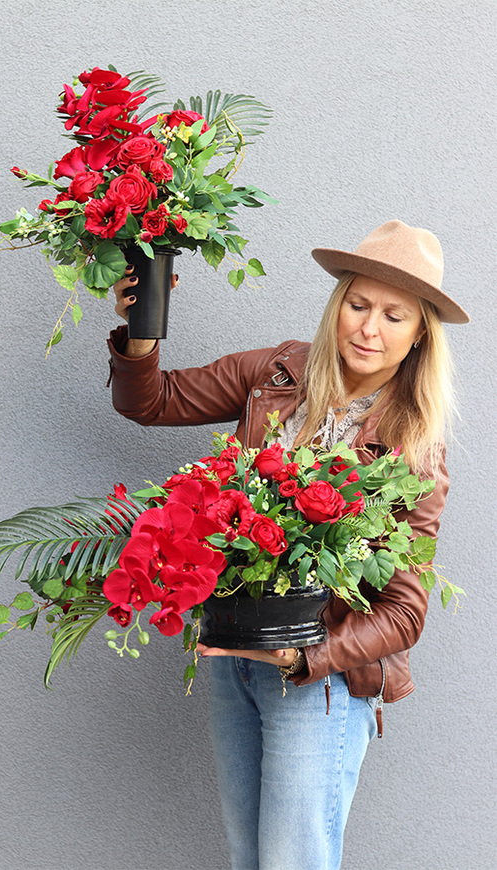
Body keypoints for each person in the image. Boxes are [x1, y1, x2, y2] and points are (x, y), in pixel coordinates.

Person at [107, 220, 469, 870]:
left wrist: (307, 661)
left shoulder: (414, 450)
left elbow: (406, 612)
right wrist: (142, 325)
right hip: (231, 659)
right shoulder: (276, 372)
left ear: (419, 335)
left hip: (319, 683)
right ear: (339, 303)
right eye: (358, 305)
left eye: (393, 316)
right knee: (252, 857)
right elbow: (152, 401)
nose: (368, 328)